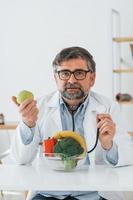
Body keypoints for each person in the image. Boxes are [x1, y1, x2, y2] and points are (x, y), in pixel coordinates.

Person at [11, 46, 133, 200]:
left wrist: (109, 146)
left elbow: (128, 155)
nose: (72, 80)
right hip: (49, 193)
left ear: (92, 79)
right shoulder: (39, 108)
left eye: (80, 73)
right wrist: (28, 124)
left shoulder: (108, 107)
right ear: (56, 78)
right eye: (65, 73)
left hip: (94, 195)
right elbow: (20, 159)